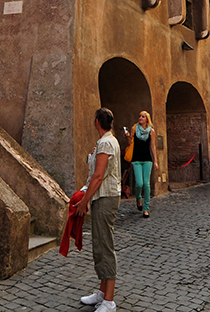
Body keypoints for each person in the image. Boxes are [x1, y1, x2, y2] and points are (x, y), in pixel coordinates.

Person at [76, 107, 121, 310]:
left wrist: (84, 201)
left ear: (96, 122)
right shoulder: (108, 141)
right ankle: (103, 292)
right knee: (99, 245)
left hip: (105, 198)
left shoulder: (105, 143)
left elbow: (98, 176)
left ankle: (109, 300)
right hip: (103, 197)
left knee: (105, 246)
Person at [124, 111, 157, 217]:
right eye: (139, 116)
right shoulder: (134, 128)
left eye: (143, 116)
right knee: (139, 183)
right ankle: (138, 198)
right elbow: (130, 143)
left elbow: (152, 146)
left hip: (147, 159)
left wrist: (155, 161)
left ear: (147, 119)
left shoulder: (151, 131)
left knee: (146, 184)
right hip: (136, 159)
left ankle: (146, 208)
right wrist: (127, 136)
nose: (140, 118)